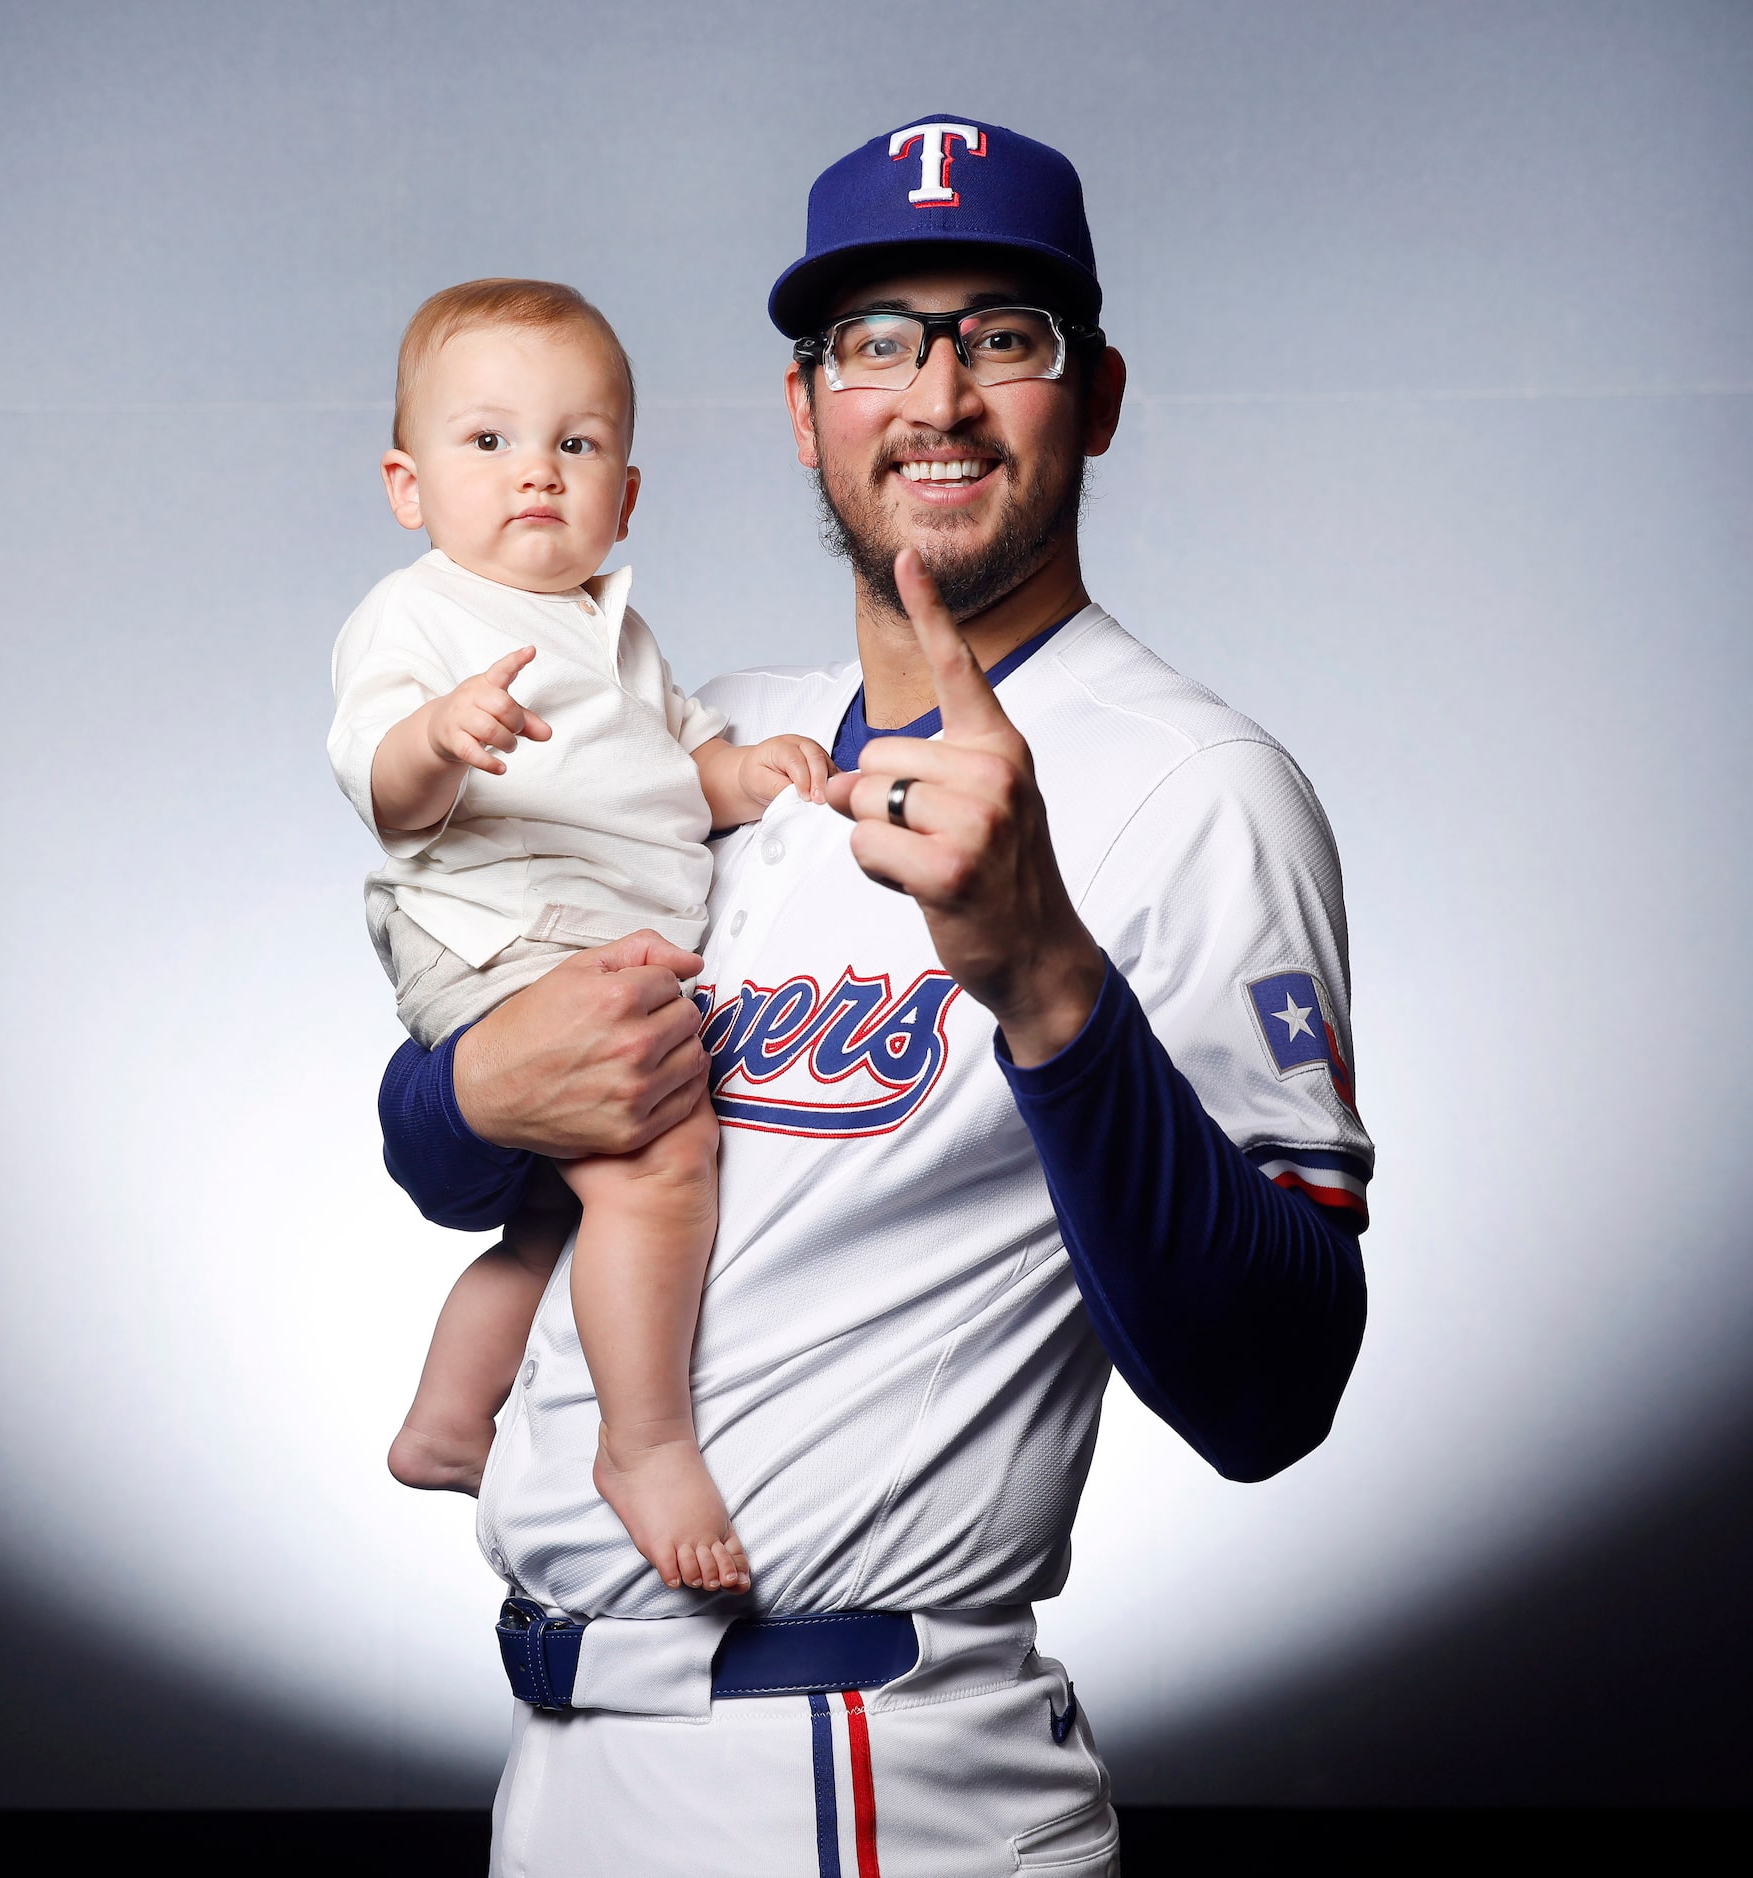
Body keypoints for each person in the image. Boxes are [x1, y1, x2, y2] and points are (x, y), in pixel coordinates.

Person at [373, 119, 1372, 1874]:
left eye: (1005, 335)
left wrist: (1049, 982)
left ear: (1101, 394)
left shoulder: (1191, 786)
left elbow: (1274, 1387)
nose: (938, 396)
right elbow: (458, 1146)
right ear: (804, 406)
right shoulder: (708, 737)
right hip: (557, 1760)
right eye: (878, 339)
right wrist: (471, 1093)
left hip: (860, 1774)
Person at [330, 279, 835, 1595]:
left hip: (588, 935)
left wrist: (750, 776)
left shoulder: (620, 629)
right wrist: (437, 738)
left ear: (626, 491)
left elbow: (683, 769)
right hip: (501, 929)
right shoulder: (421, 614)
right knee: (661, 1159)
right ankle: (646, 1443)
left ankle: (450, 1418)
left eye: (577, 443)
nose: (537, 474)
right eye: (487, 442)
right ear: (407, 483)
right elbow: (381, 783)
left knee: (561, 1221)